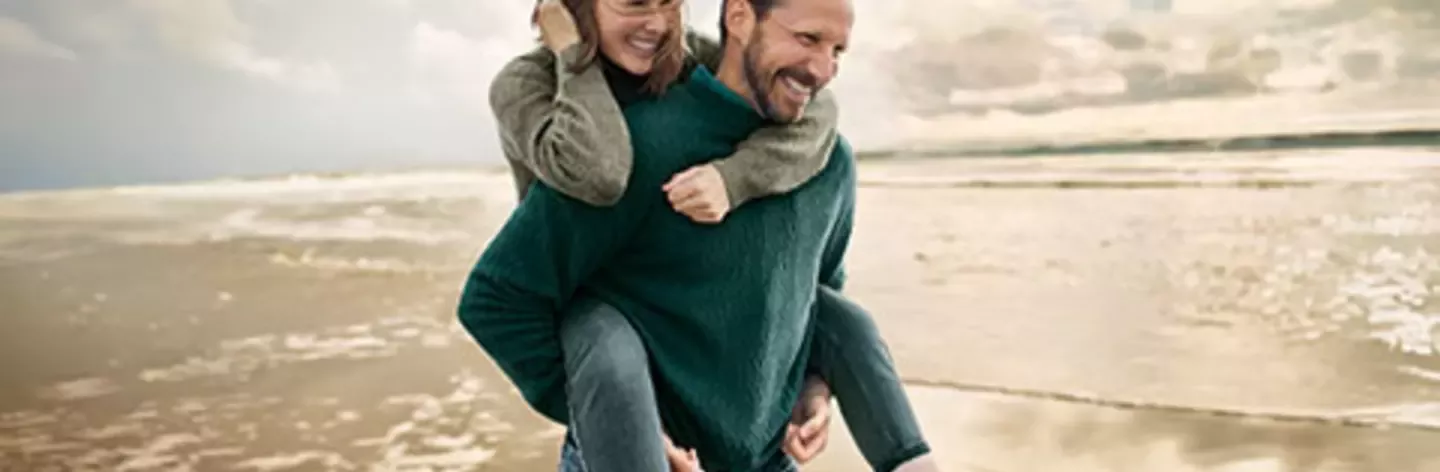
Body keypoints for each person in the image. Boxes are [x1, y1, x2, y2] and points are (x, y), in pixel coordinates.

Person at [464, 0, 941, 470]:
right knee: (599, 327)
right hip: (626, 434)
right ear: (738, 18)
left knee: (848, 318)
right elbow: (499, 297)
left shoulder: (827, 160)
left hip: (765, 458)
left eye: (838, 49)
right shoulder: (608, 128)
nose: (823, 68)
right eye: (806, 38)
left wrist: (813, 383)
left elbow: (815, 298)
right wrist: (615, 423)